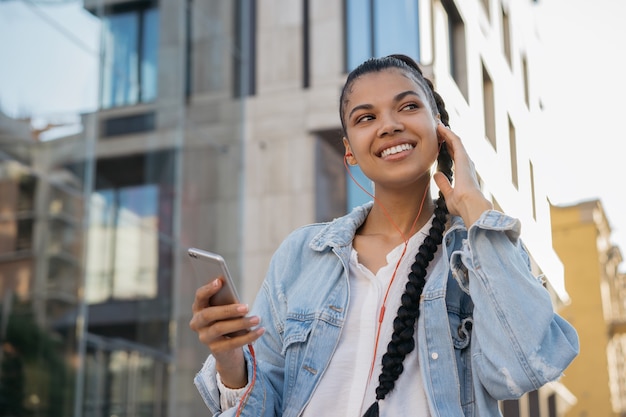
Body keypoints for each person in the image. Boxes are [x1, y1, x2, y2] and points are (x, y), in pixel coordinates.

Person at [189, 54, 579, 417]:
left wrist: (476, 206)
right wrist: (230, 361)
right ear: (350, 152)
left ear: (441, 128)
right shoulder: (301, 255)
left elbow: (525, 364)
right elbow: (265, 405)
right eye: (365, 118)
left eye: (408, 107)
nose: (389, 125)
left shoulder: (480, 252)